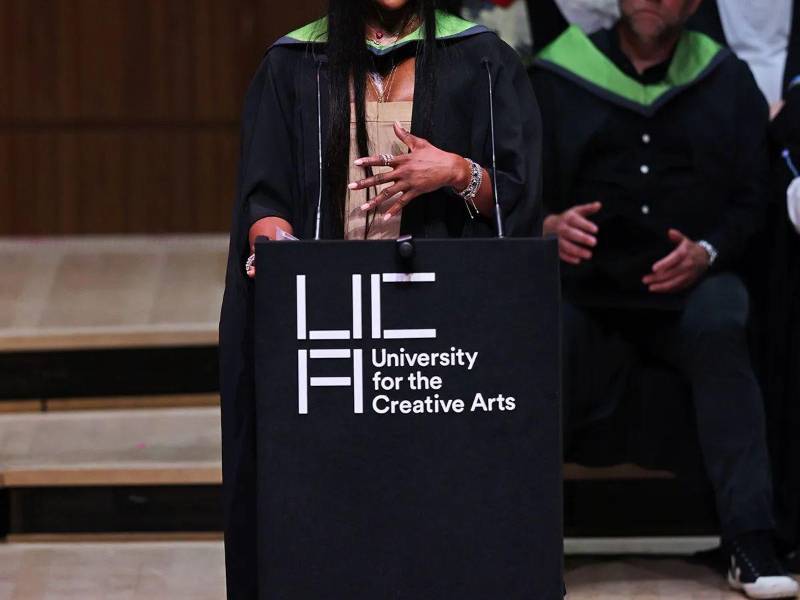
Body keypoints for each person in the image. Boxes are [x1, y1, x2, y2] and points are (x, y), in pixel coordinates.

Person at [219, 1, 542, 597]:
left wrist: (456, 172)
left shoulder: (480, 59)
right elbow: (263, 200)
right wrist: (274, 241)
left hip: (435, 334)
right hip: (330, 328)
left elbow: (520, 205)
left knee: (429, 505)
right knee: (330, 510)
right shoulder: (295, 62)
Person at [531, 0, 799, 598]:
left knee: (724, 318)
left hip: (690, 287)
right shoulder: (556, 74)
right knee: (537, 330)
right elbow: (517, 182)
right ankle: (521, 542)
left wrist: (709, 248)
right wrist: (546, 222)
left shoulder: (724, 77)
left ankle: (750, 541)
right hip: (586, 290)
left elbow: (754, 194)